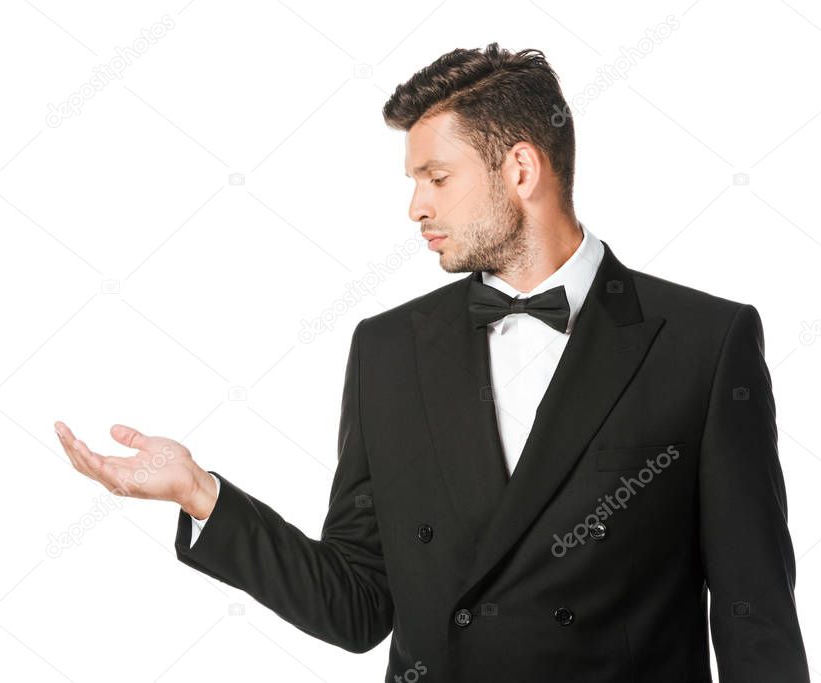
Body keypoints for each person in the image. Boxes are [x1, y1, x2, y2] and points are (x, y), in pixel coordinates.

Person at [54, 42, 809, 682]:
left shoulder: (703, 342)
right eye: (414, 182)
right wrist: (201, 494)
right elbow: (357, 603)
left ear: (520, 169)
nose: (415, 208)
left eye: (436, 178)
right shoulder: (386, 349)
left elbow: (754, 618)